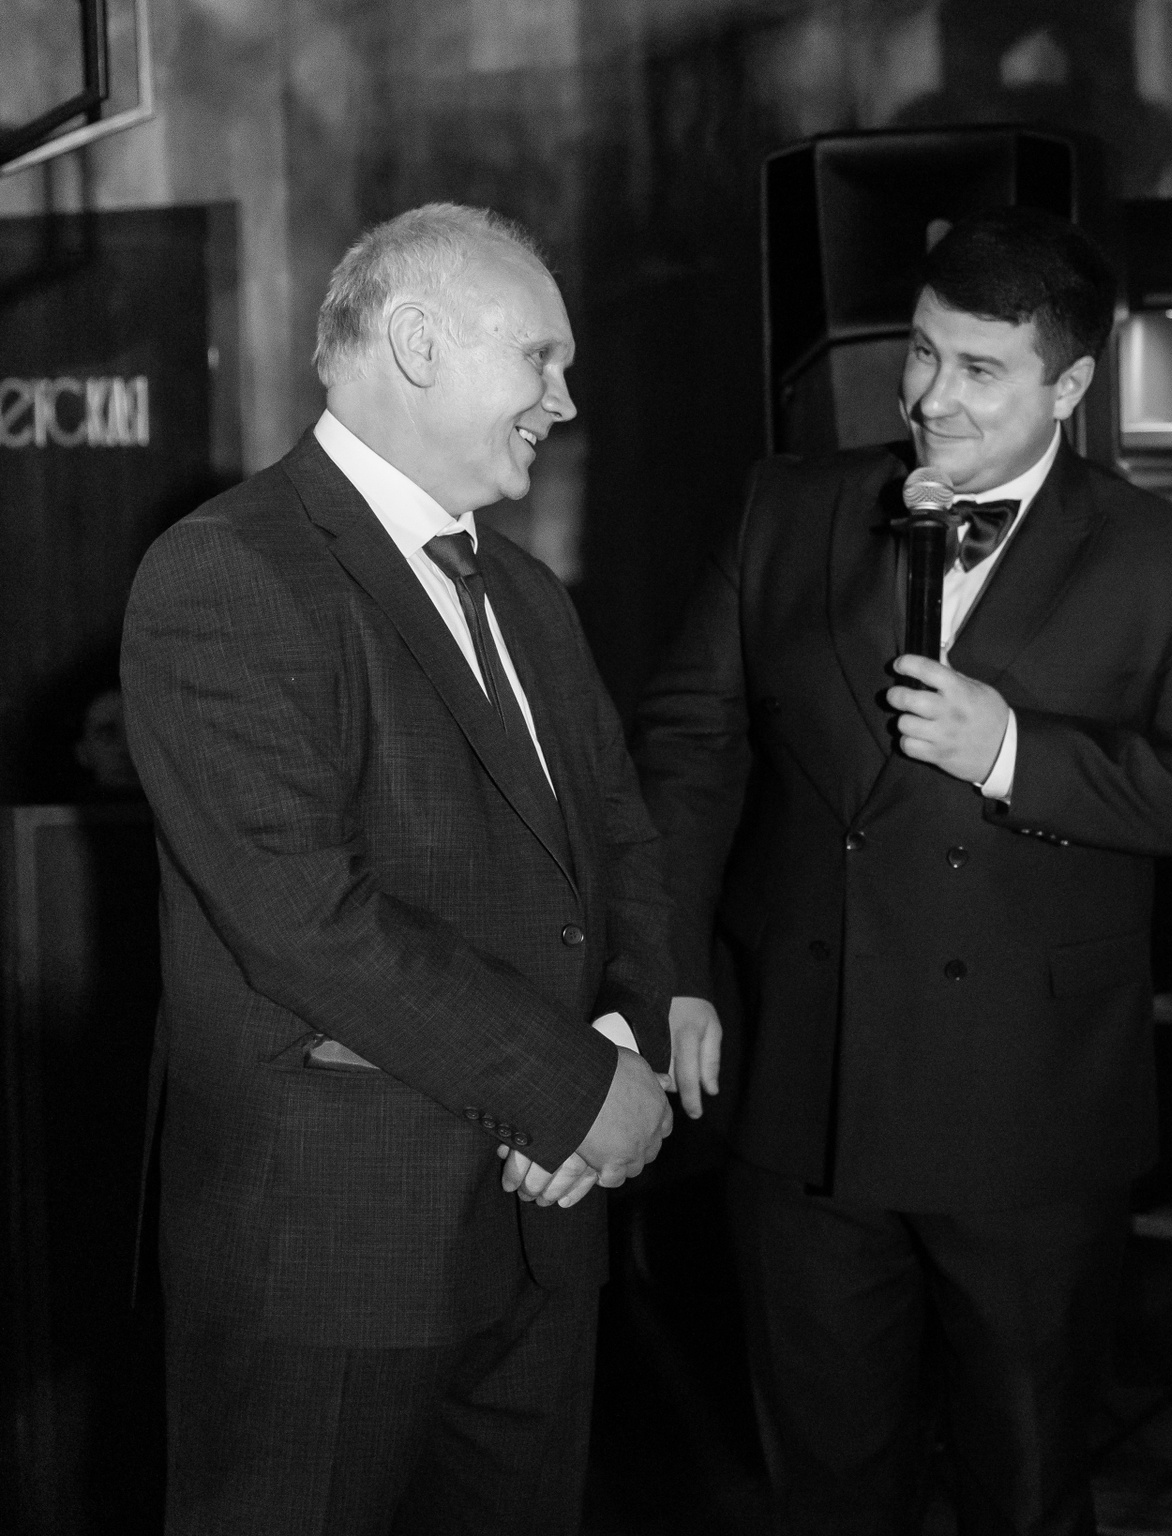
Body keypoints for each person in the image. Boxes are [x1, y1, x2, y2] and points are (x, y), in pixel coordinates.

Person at [629, 206, 1172, 1535]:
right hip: (801, 1089)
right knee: (823, 1488)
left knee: (1024, 1490)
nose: (932, 397)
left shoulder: (1164, 554)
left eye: (981, 370)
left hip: (1029, 1110)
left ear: (1071, 387)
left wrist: (1013, 754)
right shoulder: (786, 506)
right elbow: (688, 752)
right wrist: (671, 969)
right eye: (923, 353)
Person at [121, 203, 708, 1536]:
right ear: (420, 341)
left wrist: (617, 1037)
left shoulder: (528, 593)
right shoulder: (227, 570)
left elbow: (619, 842)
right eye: (540, 358)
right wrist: (574, 1091)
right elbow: (304, 922)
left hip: (542, 1237)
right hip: (332, 1262)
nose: (565, 400)